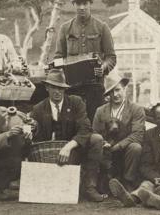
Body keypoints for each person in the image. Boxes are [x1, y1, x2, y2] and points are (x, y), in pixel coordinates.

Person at [30, 69, 106, 202]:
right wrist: (31, 129)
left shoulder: (76, 102)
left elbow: (85, 128)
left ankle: (90, 187)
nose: (57, 91)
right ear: (47, 87)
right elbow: (36, 138)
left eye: (61, 88)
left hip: (75, 151)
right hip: (50, 158)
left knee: (96, 139)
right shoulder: (38, 109)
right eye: (54, 87)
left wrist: (68, 147)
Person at [109, 100, 160, 207]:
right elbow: (144, 164)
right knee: (146, 185)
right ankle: (131, 198)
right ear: (154, 120)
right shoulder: (149, 136)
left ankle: (159, 200)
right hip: (159, 173)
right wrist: (154, 177)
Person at [53, 0, 116, 121]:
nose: (82, 7)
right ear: (74, 5)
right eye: (78, 3)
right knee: (73, 122)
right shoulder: (65, 28)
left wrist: (103, 68)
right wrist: (61, 70)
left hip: (95, 86)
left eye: (85, 3)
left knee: (95, 121)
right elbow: (58, 57)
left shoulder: (101, 27)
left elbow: (111, 57)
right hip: (72, 87)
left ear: (90, 4)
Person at [92, 73, 145, 191]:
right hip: (106, 152)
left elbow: (137, 135)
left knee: (136, 147)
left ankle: (128, 182)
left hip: (125, 150)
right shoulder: (100, 111)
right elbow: (95, 132)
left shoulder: (136, 109)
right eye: (111, 92)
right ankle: (103, 182)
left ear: (124, 89)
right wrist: (104, 143)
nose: (115, 95)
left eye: (117, 90)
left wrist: (118, 146)